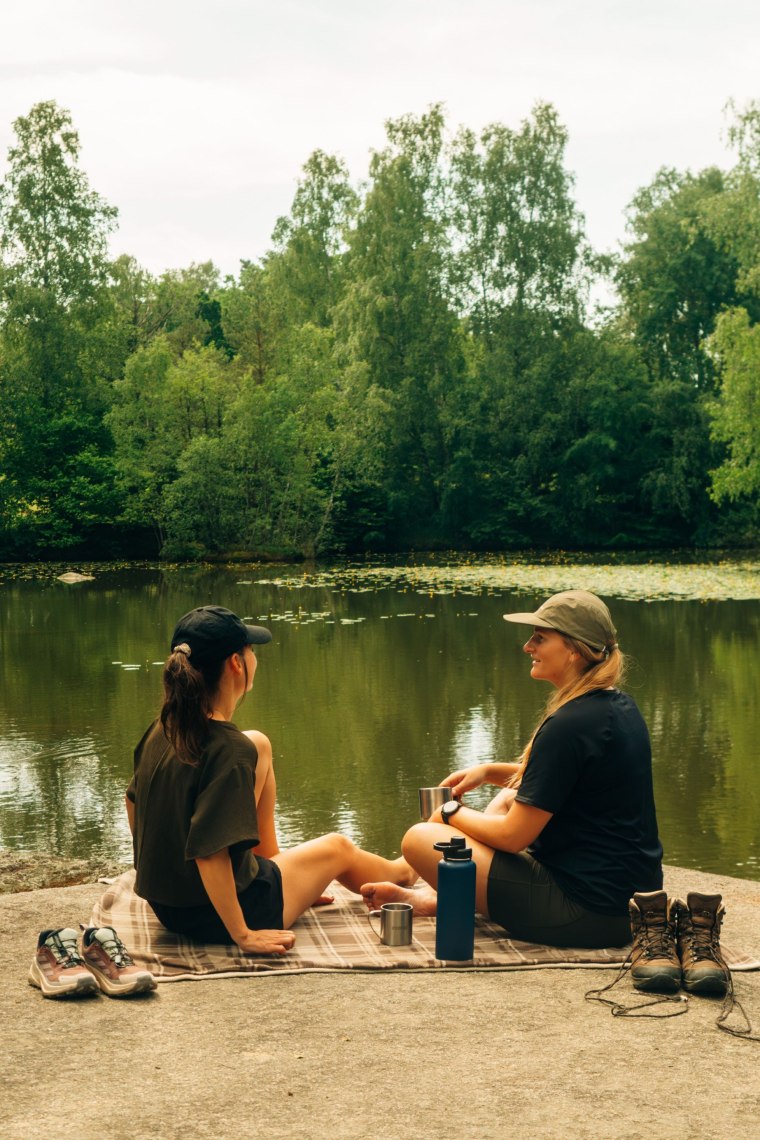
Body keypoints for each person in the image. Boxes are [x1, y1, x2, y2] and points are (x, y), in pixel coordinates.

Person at [361, 590, 664, 949]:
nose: (527, 647)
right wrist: (489, 771)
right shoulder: (617, 706)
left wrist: (449, 812)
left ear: (573, 649)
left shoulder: (569, 725)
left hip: (584, 913)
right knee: (508, 796)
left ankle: (441, 897)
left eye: (540, 638)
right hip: (631, 905)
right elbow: (570, 778)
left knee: (420, 838)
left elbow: (512, 837)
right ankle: (438, 900)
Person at [126, 605, 416, 955]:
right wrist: (244, 934)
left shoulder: (165, 727)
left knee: (259, 743)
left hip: (168, 909)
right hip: (226, 914)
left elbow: (133, 802)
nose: (254, 659)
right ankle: (405, 872)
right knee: (338, 848)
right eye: (250, 652)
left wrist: (163, 873)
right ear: (236, 663)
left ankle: (277, 870)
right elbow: (210, 853)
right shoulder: (228, 751)